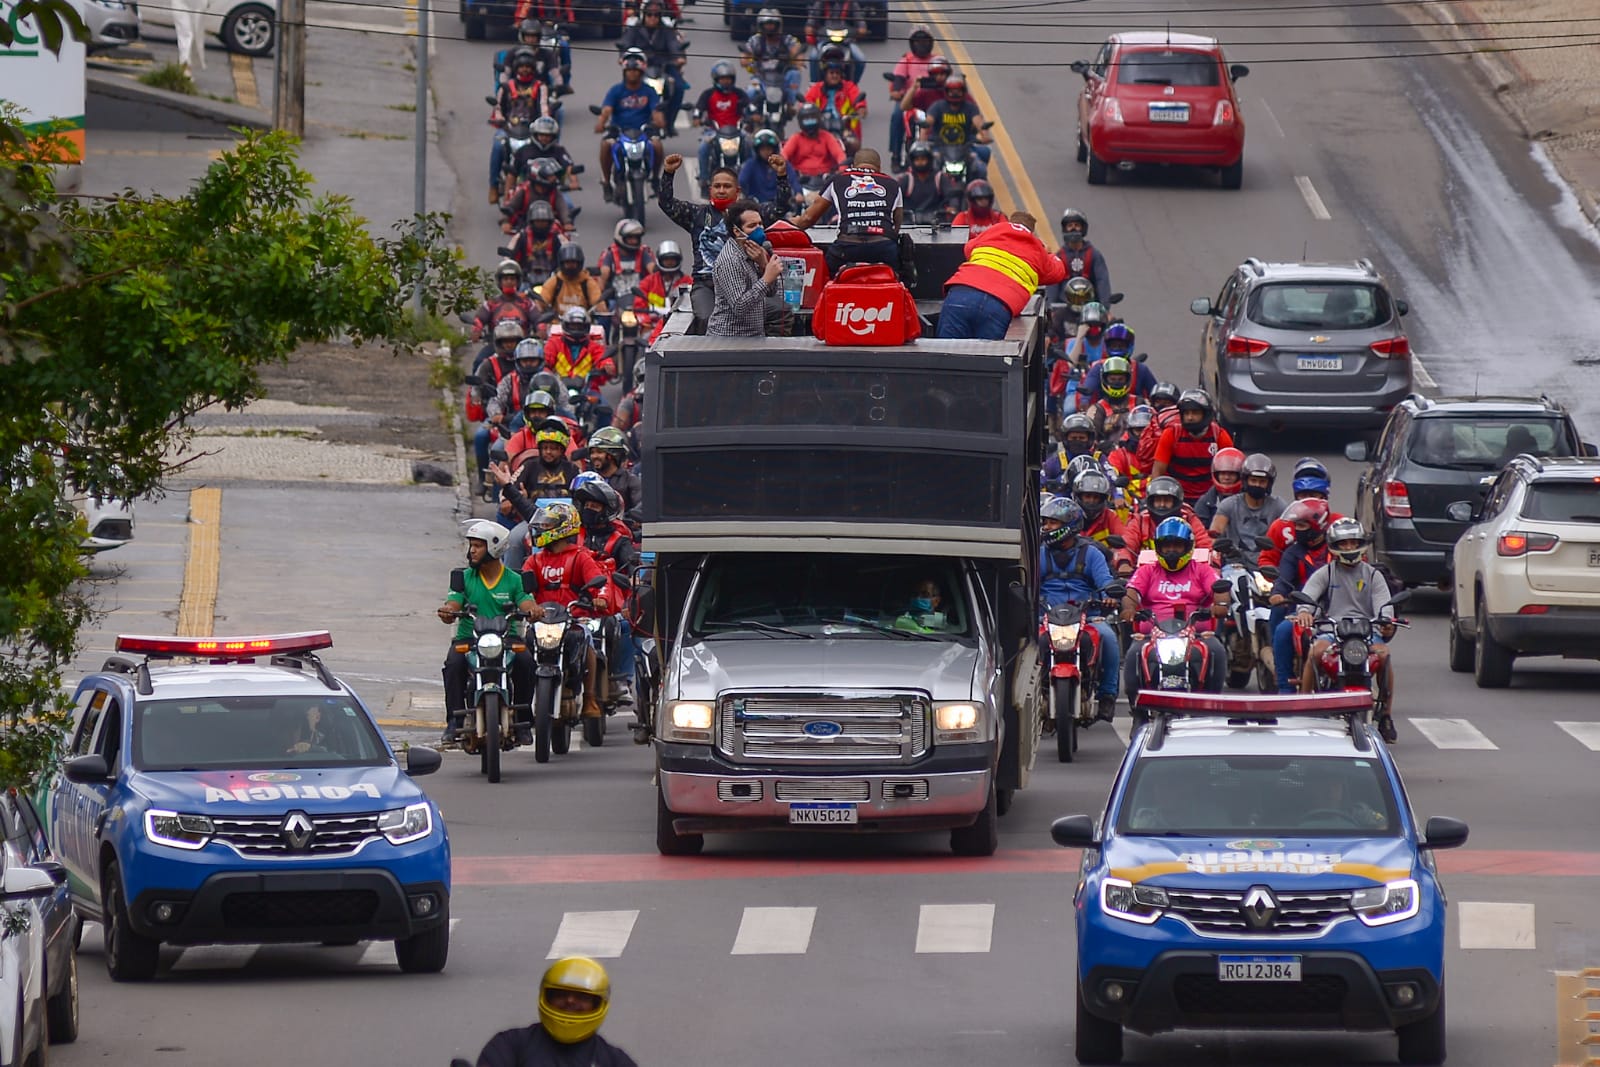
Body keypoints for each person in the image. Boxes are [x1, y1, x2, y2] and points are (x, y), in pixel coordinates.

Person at [1295, 518, 1399, 741]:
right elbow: (1309, 596)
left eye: (1353, 542)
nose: (1349, 548)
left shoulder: (1373, 575)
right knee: (1314, 652)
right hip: (1332, 630)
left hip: (1367, 631)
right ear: (1334, 546)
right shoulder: (1326, 573)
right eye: (1344, 543)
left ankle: (1387, 715)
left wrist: (1386, 619)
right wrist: (1305, 611)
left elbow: (1384, 605)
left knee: (1385, 654)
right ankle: (1302, 708)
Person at [658, 154, 792, 326]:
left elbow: (781, 206)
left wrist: (781, 175)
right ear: (710, 190)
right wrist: (668, 173)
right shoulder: (696, 214)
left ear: (737, 191)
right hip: (706, 285)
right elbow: (666, 203)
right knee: (706, 319)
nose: (721, 190)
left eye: (727, 186)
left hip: (745, 283)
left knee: (781, 311)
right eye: (717, 186)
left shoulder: (751, 215)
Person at [438, 520, 538, 742]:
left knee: (526, 663)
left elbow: (526, 602)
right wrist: (448, 611)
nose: (472, 551)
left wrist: (534, 611)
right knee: (454, 664)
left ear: (495, 547)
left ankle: (523, 721)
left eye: (477, 546)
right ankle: (454, 721)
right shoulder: (463, 578)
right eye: (471, 545)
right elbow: (453, 602)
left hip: (506, 638)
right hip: (470, 638)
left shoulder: (515, 579)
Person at [1121, 518, 1228, 700]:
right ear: (1158, 548)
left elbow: (1220, 589)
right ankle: (1138, 707)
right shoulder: (1147, 571)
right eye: (1166, 546)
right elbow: (1131, 593)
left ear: (1188, 547)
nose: (1171, 551)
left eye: (1177, 546)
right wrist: (1129, 609)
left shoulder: (1202, 570)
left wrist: (1221, 605)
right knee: (1133, 654)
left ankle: (1210, 704)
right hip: (1152, 636)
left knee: (1217, 650)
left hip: (1196, 636)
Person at [524, 502, 613, 720]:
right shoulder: (534, 560)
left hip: (573, 619)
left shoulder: (580, 556)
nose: (541, 529)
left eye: (548, 524)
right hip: (541, 621)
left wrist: (600, 598)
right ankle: (521, 701)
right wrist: (527, 605)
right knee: (521, 650)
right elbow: (521, 589)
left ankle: (590, 697)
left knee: (588, 644)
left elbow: (599, 583)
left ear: (563, 528)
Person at [1039, 497, 1121, 721]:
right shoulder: (1040, 553)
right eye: (1045, 522)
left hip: (1088, 616)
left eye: (1052, 523)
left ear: (1070, 525)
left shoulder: (1091, 553)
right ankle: (1035, 689)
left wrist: (1109, 597)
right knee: (1026, 642)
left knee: (1109, 638)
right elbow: (1028, 585)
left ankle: (1107, 696)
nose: (1046, 528)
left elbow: (1105, 581)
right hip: (1046, 617)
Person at [474, 956, 638, 1067]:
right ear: (546, 996)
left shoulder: (614, 1061)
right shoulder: (509, 1046)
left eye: (581, 997)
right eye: (561, 994)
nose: (570, 1001)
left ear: (598, 1004)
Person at [937, 212, 1066, 340]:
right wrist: (1048, 254)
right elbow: (1057, 272)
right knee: (985, 359)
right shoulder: (1037, 246)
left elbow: (968, 248)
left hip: (961, 293)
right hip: (999, 305)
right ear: (1031, 231)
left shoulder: (995, 229)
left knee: (945, 354)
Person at [572, 474, 639, 709]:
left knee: (626, 625)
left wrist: (631, 582)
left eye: (595, 505)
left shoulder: (619, 540)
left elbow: (632, 568)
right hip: (574, 601)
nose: (589, 509)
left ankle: (620, 679)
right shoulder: (571, 534)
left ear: (607, 509)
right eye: (586, 505)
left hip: (607, 604)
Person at [789, 149, 903, 277]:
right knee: (901, 273)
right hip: (883, 249)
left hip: (847, 247)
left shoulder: (838, 180)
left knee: (825, 277)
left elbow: (808, 218)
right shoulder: (893, 184)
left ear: (853, 166)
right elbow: (896, 225)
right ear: (879, 167)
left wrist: (790, 224)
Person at [1267, 498, 1333, 695]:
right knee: (1283, 631)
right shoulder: (1293, 552)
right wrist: (1278, 593)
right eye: (1296, 525)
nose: (1297, 529)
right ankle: (1285, 686)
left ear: (1317, 525)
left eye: (1302, 525)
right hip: (1302, 612)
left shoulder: (1335, 550)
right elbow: (1284, 579)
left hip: (1336, 611)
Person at [709, 199, 785, 337]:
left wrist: (764, 265)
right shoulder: (730, 260)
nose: (759, 229)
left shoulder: (755, 251)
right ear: (737, 232)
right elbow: (740, 307)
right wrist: (766, 279)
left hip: (753, 335)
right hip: (730, 338)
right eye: (752, 226)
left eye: (760, 224)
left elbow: (771, 293)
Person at [595, 52, 666, 196]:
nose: (632, 74)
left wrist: (659, 121)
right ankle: (607, 182)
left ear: (641, 72)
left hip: (643, 131)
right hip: (619, 131)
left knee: (658, 146)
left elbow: (655, 111)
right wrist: (601, 122)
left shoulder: (649, 91)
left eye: (635, 71)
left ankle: (655, 178)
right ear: (624, 72)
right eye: (629, 71)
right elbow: (607, 109)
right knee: (605, 145)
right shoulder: (616, 90)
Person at [1115, 475, 1214, 577]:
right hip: (1147, 577)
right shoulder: (1140, 520)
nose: (1162, 504)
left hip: (1187, 576)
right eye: (1158, 500)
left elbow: (1206, 546)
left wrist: (1213, 564)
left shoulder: (1189, 519)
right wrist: (1124, 563)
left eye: (1166, 500)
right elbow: (1127, 544)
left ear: (1176, 501)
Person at [1151, 389, 1234, 504]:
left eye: (1195, 413)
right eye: (1186, 413)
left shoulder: (1219, 435)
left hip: (1211, 499)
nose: (1190, 417)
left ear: (1205, 414)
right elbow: (1158, 472)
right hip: (1177, 497)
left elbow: (1232, 473)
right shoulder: (1171, 434)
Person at [617, 1, 687, 133]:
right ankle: (622, 122)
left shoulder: (667, 29)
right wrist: (622, 57)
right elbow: (625, 44)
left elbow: (673, 44)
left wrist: (679, 57)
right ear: (644, 15)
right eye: (649, 14)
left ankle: (669, 123)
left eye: (656, 15)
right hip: (640, 67)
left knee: (678, 86)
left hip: (664, 66)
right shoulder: (634, 29)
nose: (652, 18)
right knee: (626, 88)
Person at [1258, 458, 1342, 568]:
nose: (1308, 501)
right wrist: (1277, 580)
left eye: (1313, 495)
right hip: (1291, 583)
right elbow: (1266, 560)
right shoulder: (1281, 525)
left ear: (1324, 497)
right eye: (1303, 496)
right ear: (1296, 497)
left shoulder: (1338, 523)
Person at [491, 51, 551, 202]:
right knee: (498, 146)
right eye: (522, 67)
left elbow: (544, 107)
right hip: (509, 129)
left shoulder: (540, 86)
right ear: (516, 68)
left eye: (528, 67)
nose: (525, 70)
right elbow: (498, 108)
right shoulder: (505, 87)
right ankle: (493, 185)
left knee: (548, 148)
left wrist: (545, 121)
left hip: (533, 130)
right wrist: (500, 120)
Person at [922, 74, 992, 179]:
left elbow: (978, 123)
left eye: (958, 91)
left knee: (981, 167)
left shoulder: (970, 107)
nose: (955, 94)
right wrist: (922, 140)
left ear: (964, 91)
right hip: (939, 147)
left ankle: (977, 191)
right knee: (929, 167)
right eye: (951, 91)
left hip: (965, 146)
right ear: (946, 91)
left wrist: (984, 135)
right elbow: (927, 123)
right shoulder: (938, 106)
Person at [696, 62, 751, 194]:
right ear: (716, 80)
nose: (726, 82)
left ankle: (751, 177)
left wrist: (753, 116)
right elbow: (698, 110)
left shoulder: (739, 94)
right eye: (723, 79)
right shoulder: (708, 94)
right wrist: (697, 118)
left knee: (750, 144)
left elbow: (750, 108)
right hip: (714, 131)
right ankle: (704, 179)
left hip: (736, 131)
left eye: (728, 79)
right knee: (703, 147)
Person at [886, 26, 938, 163]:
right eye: (918, 41)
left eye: (925, 41)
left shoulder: (937, 61)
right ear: (912, 43)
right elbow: (898, 81)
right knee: (897, 115)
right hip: (909, 101)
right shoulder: (906, 60)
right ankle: (896, 154)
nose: (921, 45)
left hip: (932, 101)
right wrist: (896, 92)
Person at [1211, 452, 1286, 546]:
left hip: (1268, 559)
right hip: (1234, 559)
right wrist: (1221, 548)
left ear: (1269, 484)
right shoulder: (1229, 505)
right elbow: (1214, 535)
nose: (1257, 485)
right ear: (1245, 481)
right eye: (1253, 480)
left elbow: (1287, 536)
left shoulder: (1278, 506)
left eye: (1262, 481)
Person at [740, 8, 805, 108]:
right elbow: (746, 53)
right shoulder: (755, 40)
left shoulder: (787, 39)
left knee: (794, 74)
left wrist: (798, 59)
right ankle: (751, 116)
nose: (769, 27)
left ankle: (789, 106)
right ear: (761, 25)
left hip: (782, 79)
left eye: (772, 24)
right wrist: (745, 59)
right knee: (750, 92)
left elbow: (796, 50)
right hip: (761, 78)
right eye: (766, 24)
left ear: (778, 25)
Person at [803, 60, 868, 155]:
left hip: (844, 128)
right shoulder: (816, 88)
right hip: (820, 129)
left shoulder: (849, 87)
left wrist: (861, 108)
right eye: (831, 73)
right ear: (825, 74)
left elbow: (858, 99)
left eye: (837, 73)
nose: (834, 76)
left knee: (854, 145)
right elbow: (807, 102)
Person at [586, 426, 643, 526]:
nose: (594, 456)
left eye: (599, 452)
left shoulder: (631, 481)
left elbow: (640, 509)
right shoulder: (586, 479)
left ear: (613, 455)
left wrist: (626, 519)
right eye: (592, 452)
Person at [1055, 208, 1112, 305]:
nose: (1073, 228)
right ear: (1065, 229)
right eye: (1070, 226)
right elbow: (1053, 284)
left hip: (1089, 305)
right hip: (1064, 306)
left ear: (1083, 228)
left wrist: (1105, 306)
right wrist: (1051, 309)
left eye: (1077, 225)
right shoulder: (1059, 257)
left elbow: (1102, 281)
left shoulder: (1094, 254)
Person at [738, 129, 803, 213]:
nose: (766, 152)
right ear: (757, 150)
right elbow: (742, 180)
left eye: (768, 148)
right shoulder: (751, 164)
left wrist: (798, 193)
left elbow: (793, 180)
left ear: (774, 149)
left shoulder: (782, 163)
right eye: (763, 149)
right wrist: (741, 194)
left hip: (780, 207)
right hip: (756, 207)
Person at [534, 244, 606, 318]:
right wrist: (541, 306)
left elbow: (599, 305)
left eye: (573, 263)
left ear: (579, 263)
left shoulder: (588, 282)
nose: (571, 266)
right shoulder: (554, 281)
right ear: (562, 263)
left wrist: (599, 308)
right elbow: (541, 303)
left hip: (583, 325)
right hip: (557, 324)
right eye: (567, 263)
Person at [472, 260, 537, 341]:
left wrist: (541, 329)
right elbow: (479, 319)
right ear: (500, 282)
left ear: (518, 281)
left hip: (523, 348)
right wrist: (476, 330)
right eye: (505, 279)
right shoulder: (491, 303)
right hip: (495, 346)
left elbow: (538, 319)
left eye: (512, 279)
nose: (509, 282)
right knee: (482, 355)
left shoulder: (527, 303)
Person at [504, 200, 567, 282]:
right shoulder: (521, 236)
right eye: (538, 222)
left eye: (544, 222)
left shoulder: (558, 237)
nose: (541, 224)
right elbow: (509, 257)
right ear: (531, 222)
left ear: (550, 222)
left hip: (553, 280)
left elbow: (567, 254)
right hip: (525, 280)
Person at [782, 104, 848, 179]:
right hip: (801, 178)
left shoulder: (827, 136)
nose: (809, 121)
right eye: (806, 119)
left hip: (824, 177)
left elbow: (839, 155)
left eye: (812, 118)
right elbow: (784, 155)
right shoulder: (796, 138)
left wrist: (842, 170)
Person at [1085, 355, 1140, 444]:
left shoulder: (1139, 402)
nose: (1116, 382)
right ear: (1105, 380)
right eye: (1112, 379)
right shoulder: (1097, 408)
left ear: (1128, 379)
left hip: (1138, 452)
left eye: (1120, 379)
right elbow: (1091, 438)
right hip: (1109, 454)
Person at [896, 140, 954, 222]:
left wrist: (952, 207)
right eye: (917, 159)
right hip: (910, 225)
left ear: (929, 160)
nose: (920, 162)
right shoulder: (906, 179)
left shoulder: (940, 178)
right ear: (912, 161)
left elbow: (952, 196)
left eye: (923, 159)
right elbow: (896, 198)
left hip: (936, 224)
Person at [598, 219, 656, 300]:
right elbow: (602, 276)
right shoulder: (609, 254)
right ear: (620, 237)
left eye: (636, 238)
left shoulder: (644, 253)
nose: (634, 241)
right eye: (630, 238)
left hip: (640, 299)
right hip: (615, 300)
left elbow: (654, 271)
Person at [1135, 381, 1182, 478]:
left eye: (1167, 403)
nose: (1162, 406)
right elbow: (1143, 454)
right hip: (1151, 473)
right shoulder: (1147, 421)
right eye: (1158, 402)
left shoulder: (1183, 425)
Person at [1193, 446, 1245, 527]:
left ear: (1240, 475)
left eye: (1231, 474)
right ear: (1216, 475)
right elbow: (1199, 531)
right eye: (1223, 473)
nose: (1227, 478)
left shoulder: (1250, 498)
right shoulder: (1205, 502)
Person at [636, 238, 690, 312]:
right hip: (652, 321)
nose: (669, 262)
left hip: (678, 321)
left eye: (672, 259)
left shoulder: (688, 282)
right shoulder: (648, 282)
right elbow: (638, 306)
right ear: (660, 260)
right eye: (666, 259)